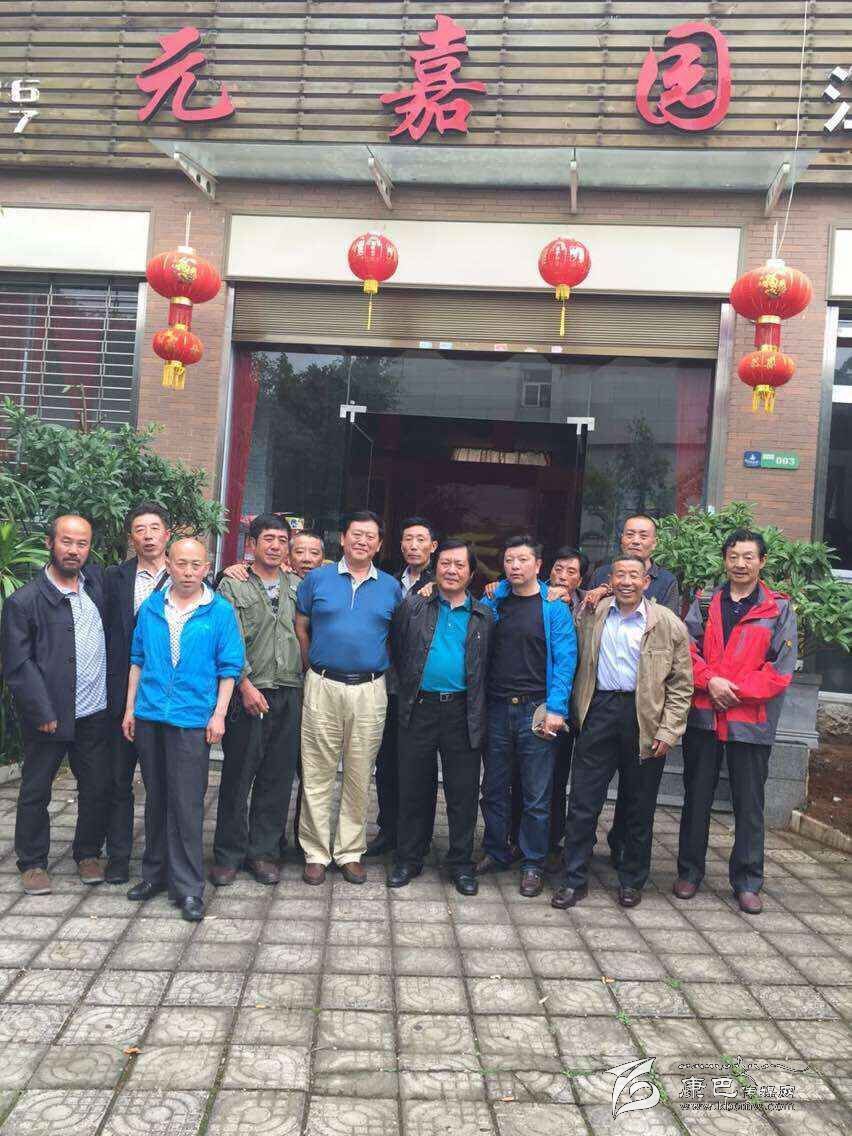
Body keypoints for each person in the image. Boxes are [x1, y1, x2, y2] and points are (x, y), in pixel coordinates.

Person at [552, 555, 693, 910]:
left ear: (646, 582)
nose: (627, 581)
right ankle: (573, 879)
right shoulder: (591, 613)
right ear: (610, 580)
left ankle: (632, 880)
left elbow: (681, 685)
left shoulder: (667, 623)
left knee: (639, 807)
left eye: (634, 575)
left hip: (644, 717)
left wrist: (669, 730)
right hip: (598, 710)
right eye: (620, 575)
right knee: (583, 802)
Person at [675, 529, 797, 916]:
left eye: (748, 557)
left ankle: (747, 881)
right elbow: (686, 650)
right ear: (724, 560)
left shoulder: (779, 609)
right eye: (733, 556)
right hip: (705, 716)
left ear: (762, 561)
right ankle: (689, 872)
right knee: (696, 798)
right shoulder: (705, 602)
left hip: (750, 721)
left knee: (749, 804)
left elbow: (779, 670)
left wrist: (735, 690)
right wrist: (710, 680)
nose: (740, 564)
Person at [123, 538, 244, 921]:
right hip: (150, 715)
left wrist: (219, 715)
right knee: (156, 797)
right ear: (169, 565)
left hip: (192, 719)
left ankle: (189, 887)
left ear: (207, 568)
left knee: (187, 804)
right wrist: (130, 709)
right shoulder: (151, 607)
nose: (188, 572)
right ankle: (154, 874)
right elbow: (137, 660)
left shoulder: (219, 611)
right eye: (181, 564)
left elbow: (229, 668)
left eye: (196, 565)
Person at [1, 515, 111, 894]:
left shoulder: (96, 584)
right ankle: (32, 862)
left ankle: (88, 853)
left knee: (96, 786)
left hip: (94, 711)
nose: (74, 550)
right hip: (49, 714)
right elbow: (18, 664)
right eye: (67, 541)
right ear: (50, 543)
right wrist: (42, 710)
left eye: (82, 543)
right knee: (36, 790)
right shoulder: (24, 601)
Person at [295, 510, 401, 885]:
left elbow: (395, 637)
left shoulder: (391, 587)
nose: (362, 541)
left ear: (379, 544)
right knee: (316, 771)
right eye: (356, 534)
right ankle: (315, 852)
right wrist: (311, 667)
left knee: (359, 772)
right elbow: (301, 626)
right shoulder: (317, 579)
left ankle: (350, 851)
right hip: (323, 684)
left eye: (370, 536)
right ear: (342, 538)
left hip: (370, 689)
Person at [387, 540, 493, 895]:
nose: (451, 570)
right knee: (414, 787)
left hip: (463, 711)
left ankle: (460, 863)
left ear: (471, 574)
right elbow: (397, 649)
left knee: (463, 792)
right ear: (436, 568)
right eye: (445, 563)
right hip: (419, 707)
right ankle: (409, 857)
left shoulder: (484, 616)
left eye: (460, 565)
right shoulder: (413, 606)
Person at [476, 535, 577, 897]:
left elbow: (566, 661)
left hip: (537, 710)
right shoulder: (493, 601)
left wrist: (557, 709)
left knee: (536, 793)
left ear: (538, 565)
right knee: (493, 788)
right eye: (509, 560)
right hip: (497, 707)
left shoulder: (554, 606)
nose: (515, 566)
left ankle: (533, 862)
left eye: (522, 560)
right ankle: (496, 850)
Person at [583, 514, 680, 868]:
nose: (636, 540)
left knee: (636, 791)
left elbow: (666, 629)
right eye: (630, 534)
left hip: (645, 698)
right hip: (604, 698)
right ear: (621, 538)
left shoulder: (666, 581)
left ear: (654, 542)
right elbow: (587, 616)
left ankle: (624, 850)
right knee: (588, 789)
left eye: (644, 535)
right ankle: (579, 855)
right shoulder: (601, 573)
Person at [211, 515, 302, 887]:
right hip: (248, 692)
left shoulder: (297, 585)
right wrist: (245, 685)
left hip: (289, 690)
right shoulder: (232, 584)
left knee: (277, 778)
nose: (276, 546)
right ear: (251, 544)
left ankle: (263, 853)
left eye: (282, 539)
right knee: (238, 777)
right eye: (268, 539)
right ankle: (228, 855)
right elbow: (226, 639)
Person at [102, 503, 171, 884]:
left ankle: (159, 862)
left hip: (166, 699)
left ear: (167, 534)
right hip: (121, 697)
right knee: (118, 781)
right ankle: (118, 856)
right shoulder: (114, 578)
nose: (147, 536)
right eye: (140, 529)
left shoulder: (186, 575)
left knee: (162, 785)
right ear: (131, 537)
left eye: (154, 528)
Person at [510, 546, 588, 873]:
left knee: (553, 780)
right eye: (559, 568)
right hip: (533, 703)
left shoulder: (587, 605)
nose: (563, 576)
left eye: (572, 572)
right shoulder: (533, 597)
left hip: (566, 706)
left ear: (581, 579)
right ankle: (516, 840)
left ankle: (549, 843)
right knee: (520, 778)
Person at [367, 516, 438, 857]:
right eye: (408, 539)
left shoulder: (442, 583)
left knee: (418, 767)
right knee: (387, 763)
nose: (413, 545)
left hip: (422, 691)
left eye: (420, 539)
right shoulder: (388, 582)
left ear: (433, 546)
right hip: (388, 686)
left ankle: (417, 836)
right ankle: (388, 829)